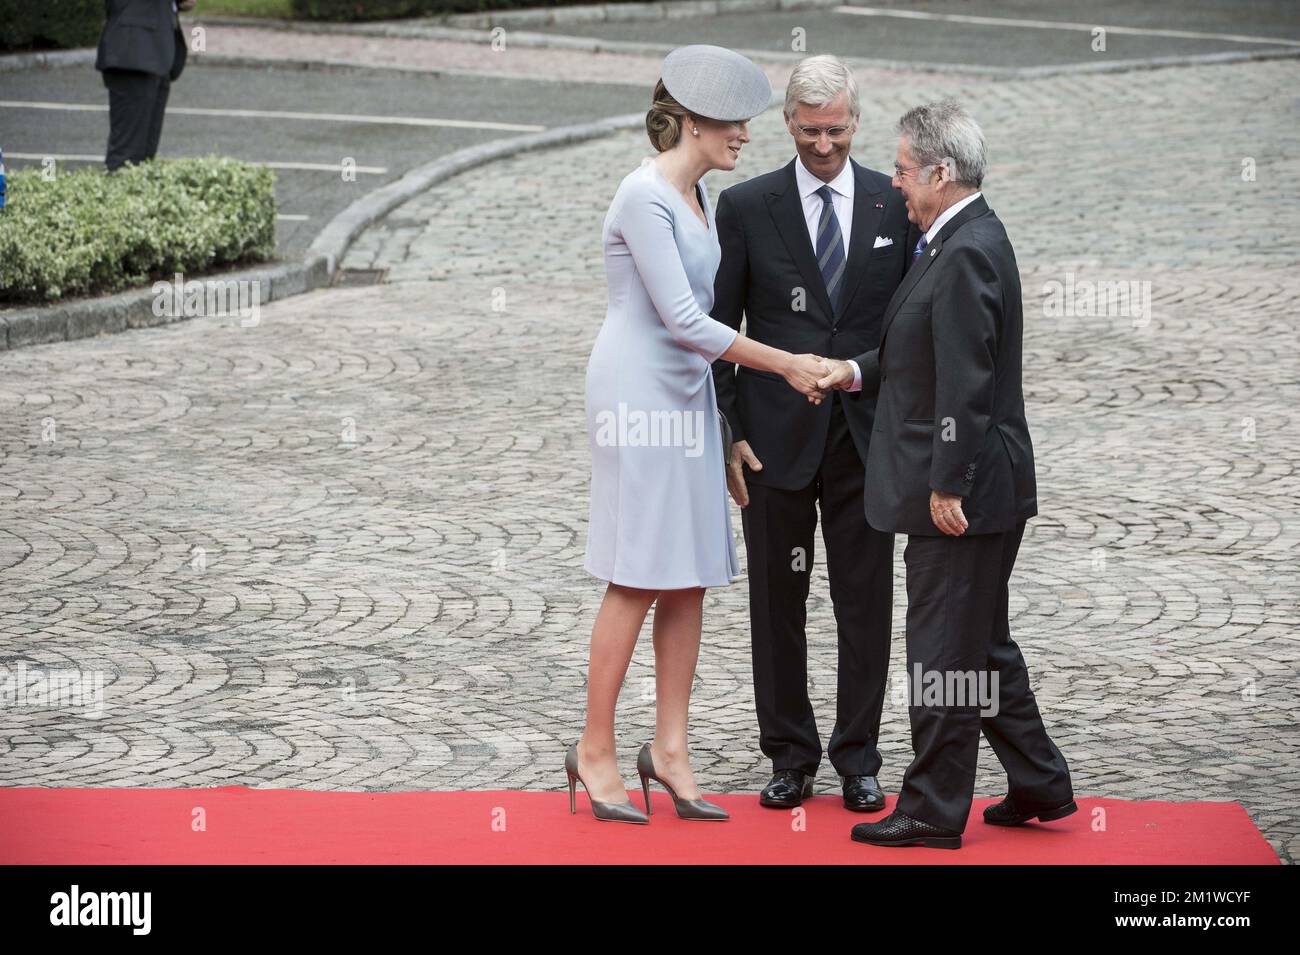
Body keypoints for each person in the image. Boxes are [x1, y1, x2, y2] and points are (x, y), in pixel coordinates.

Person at [570, 45, 831, 824]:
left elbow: (696, 329)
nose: (745, 136)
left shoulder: (697, 198)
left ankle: (671, 749)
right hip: (635, 392)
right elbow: (686, 321)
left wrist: (719, 423)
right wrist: (786, 363)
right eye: (733, 123)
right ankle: (594, 750)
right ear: (690, 122)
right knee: (636, 570)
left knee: (686, 572)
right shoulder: (643, 197)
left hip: (684, 398)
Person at [817, 100, 1075, 849]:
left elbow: (966, 379)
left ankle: (932, 804)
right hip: (978, 482)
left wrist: (948, 483)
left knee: (942, 654)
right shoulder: (953, 238)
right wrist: (851, 372)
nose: (894, 183)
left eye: (902, 170)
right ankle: (1039, 780)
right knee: (981, 643)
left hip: (965, 493)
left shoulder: (962, 249)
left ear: (941, 171)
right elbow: (915, 354)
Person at [710, 55, 917, 814]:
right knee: (777, 603)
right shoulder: (746, 205)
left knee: (865, 601)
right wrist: (729, 429)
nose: (823, 145)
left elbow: (911, 326)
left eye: (835, 130)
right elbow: (716, 331)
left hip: (865, 439)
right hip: (773, 441)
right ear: (788, 125)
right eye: (808, 131)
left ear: (855, 123)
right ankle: (790, 754)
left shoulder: (893, 205)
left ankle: (858, 756)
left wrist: (855, 369)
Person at [95, 0, 194, 172]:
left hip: (157, 52)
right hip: (132, 53)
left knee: (145, 157)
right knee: (126, 158)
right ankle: (117, 194)